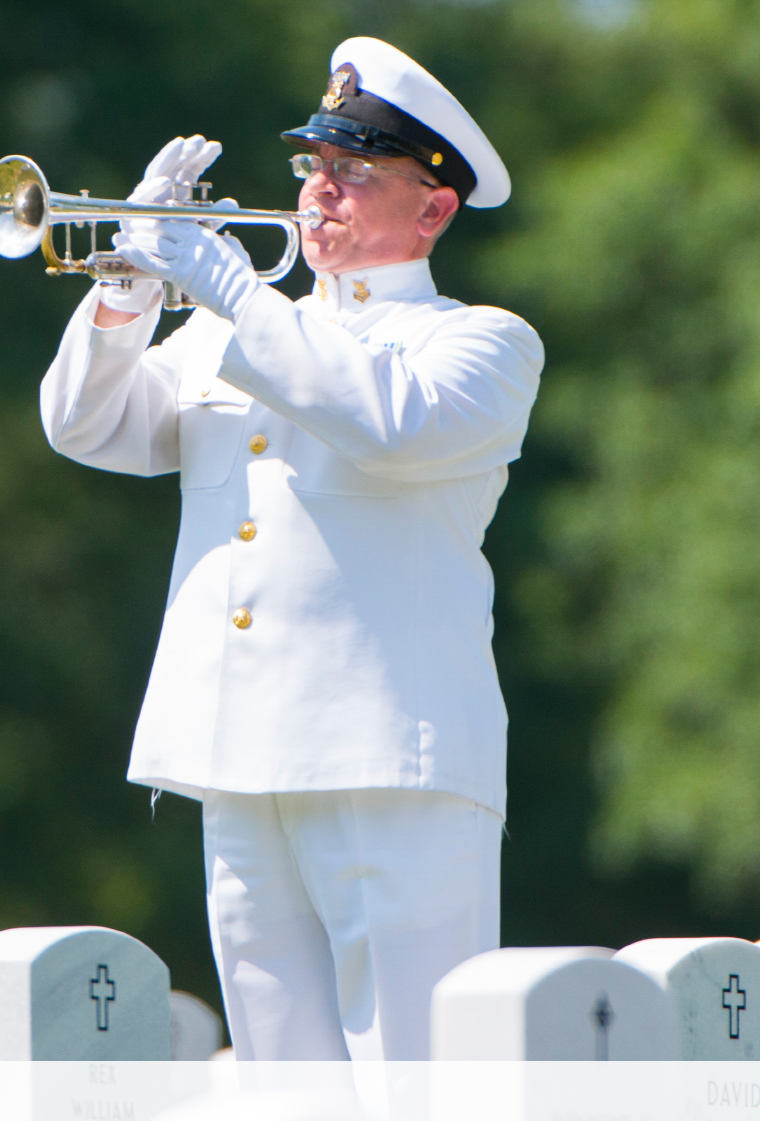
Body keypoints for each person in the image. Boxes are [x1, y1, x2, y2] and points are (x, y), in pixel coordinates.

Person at [36, 36, 543, 1062]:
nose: (320, 195)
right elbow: (89, 427)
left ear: (433, 210)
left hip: (390, 761)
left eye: (356, 176)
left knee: (414, 1094)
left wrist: (234, 293)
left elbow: (390, 425)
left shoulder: (478, 341)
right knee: (285, 1105)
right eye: (313, 169)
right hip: (235, 754)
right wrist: (130, 283)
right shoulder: (239, 329)